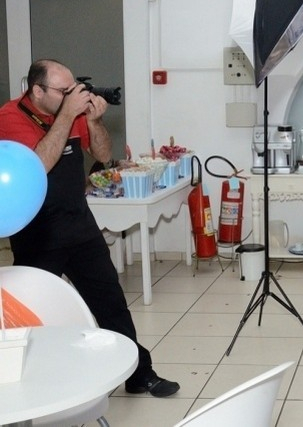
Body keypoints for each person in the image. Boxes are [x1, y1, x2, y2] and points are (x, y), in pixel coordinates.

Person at [0, 59, 180, 398]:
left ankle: (140, 374)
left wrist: (93, 120)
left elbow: (102, 153)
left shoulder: (72, 113)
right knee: (34, 312)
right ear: (36, 91)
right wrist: (67, 115)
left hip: (79, 225)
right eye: (63, 91)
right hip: (37, 233)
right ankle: (29, 385)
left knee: (110, 301)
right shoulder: (10, 118)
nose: (72, 96)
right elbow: (38, 164)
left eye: (73, 89)